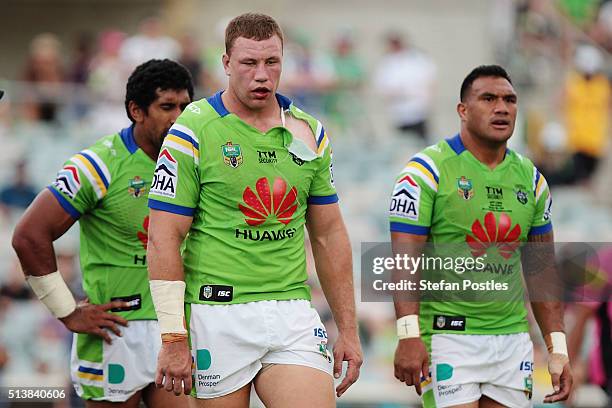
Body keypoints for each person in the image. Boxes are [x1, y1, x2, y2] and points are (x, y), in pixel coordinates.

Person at [146, 13, 362, 407]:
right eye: (249, 63)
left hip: (292, 309)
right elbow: (164, 236)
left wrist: (348, 330)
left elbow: (329, 234)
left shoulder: (310, 132)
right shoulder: (193, 129)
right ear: (226, 63)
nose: (261, 75)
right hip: (217, 311)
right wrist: (174, 338)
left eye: (272, 62)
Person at [11, 59, 194, 407]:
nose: (178, 117)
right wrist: (67, 311)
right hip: (116, 331)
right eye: (167, 107)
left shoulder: (197, 163)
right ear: (136, 111)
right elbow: (28, 235)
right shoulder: (98, 165)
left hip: (177, 329)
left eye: (184, 106)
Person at [389, 65, 572, 407]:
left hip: (512, 341)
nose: (501, 107)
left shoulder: (532, 180)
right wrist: (408, 334)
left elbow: (542, 270)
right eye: (488, 98)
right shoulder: (425, 171)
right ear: (462, 110)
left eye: (509, 99)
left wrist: (557, 348)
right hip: (448, 336)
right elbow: (403, 259)